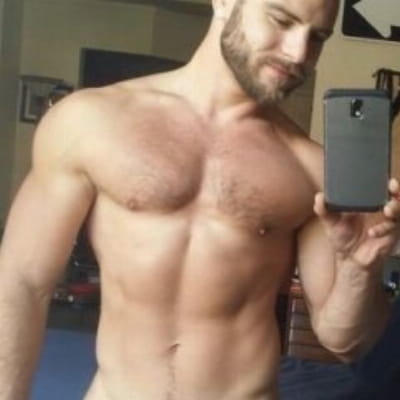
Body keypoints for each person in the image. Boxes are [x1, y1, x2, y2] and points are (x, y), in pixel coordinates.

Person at [0, 0, 399, 399]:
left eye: (317, 37)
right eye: (281, 20)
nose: (298, 53)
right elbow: (22, 281)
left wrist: (358, 268)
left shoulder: (310, 168)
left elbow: (344, 340)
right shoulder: (89, 121)